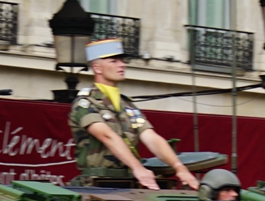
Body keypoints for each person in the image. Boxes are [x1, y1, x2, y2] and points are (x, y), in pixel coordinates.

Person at [69, 38, 200, 190]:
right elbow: (107, 136)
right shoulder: (85, 103)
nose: (122, 65)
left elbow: (151, 137)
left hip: (128, 183)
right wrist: (138, 167)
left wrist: (179, 167)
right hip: (95, 184)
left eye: (122, 61)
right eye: (114, 61)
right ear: (97, 68)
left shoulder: (127, 105)